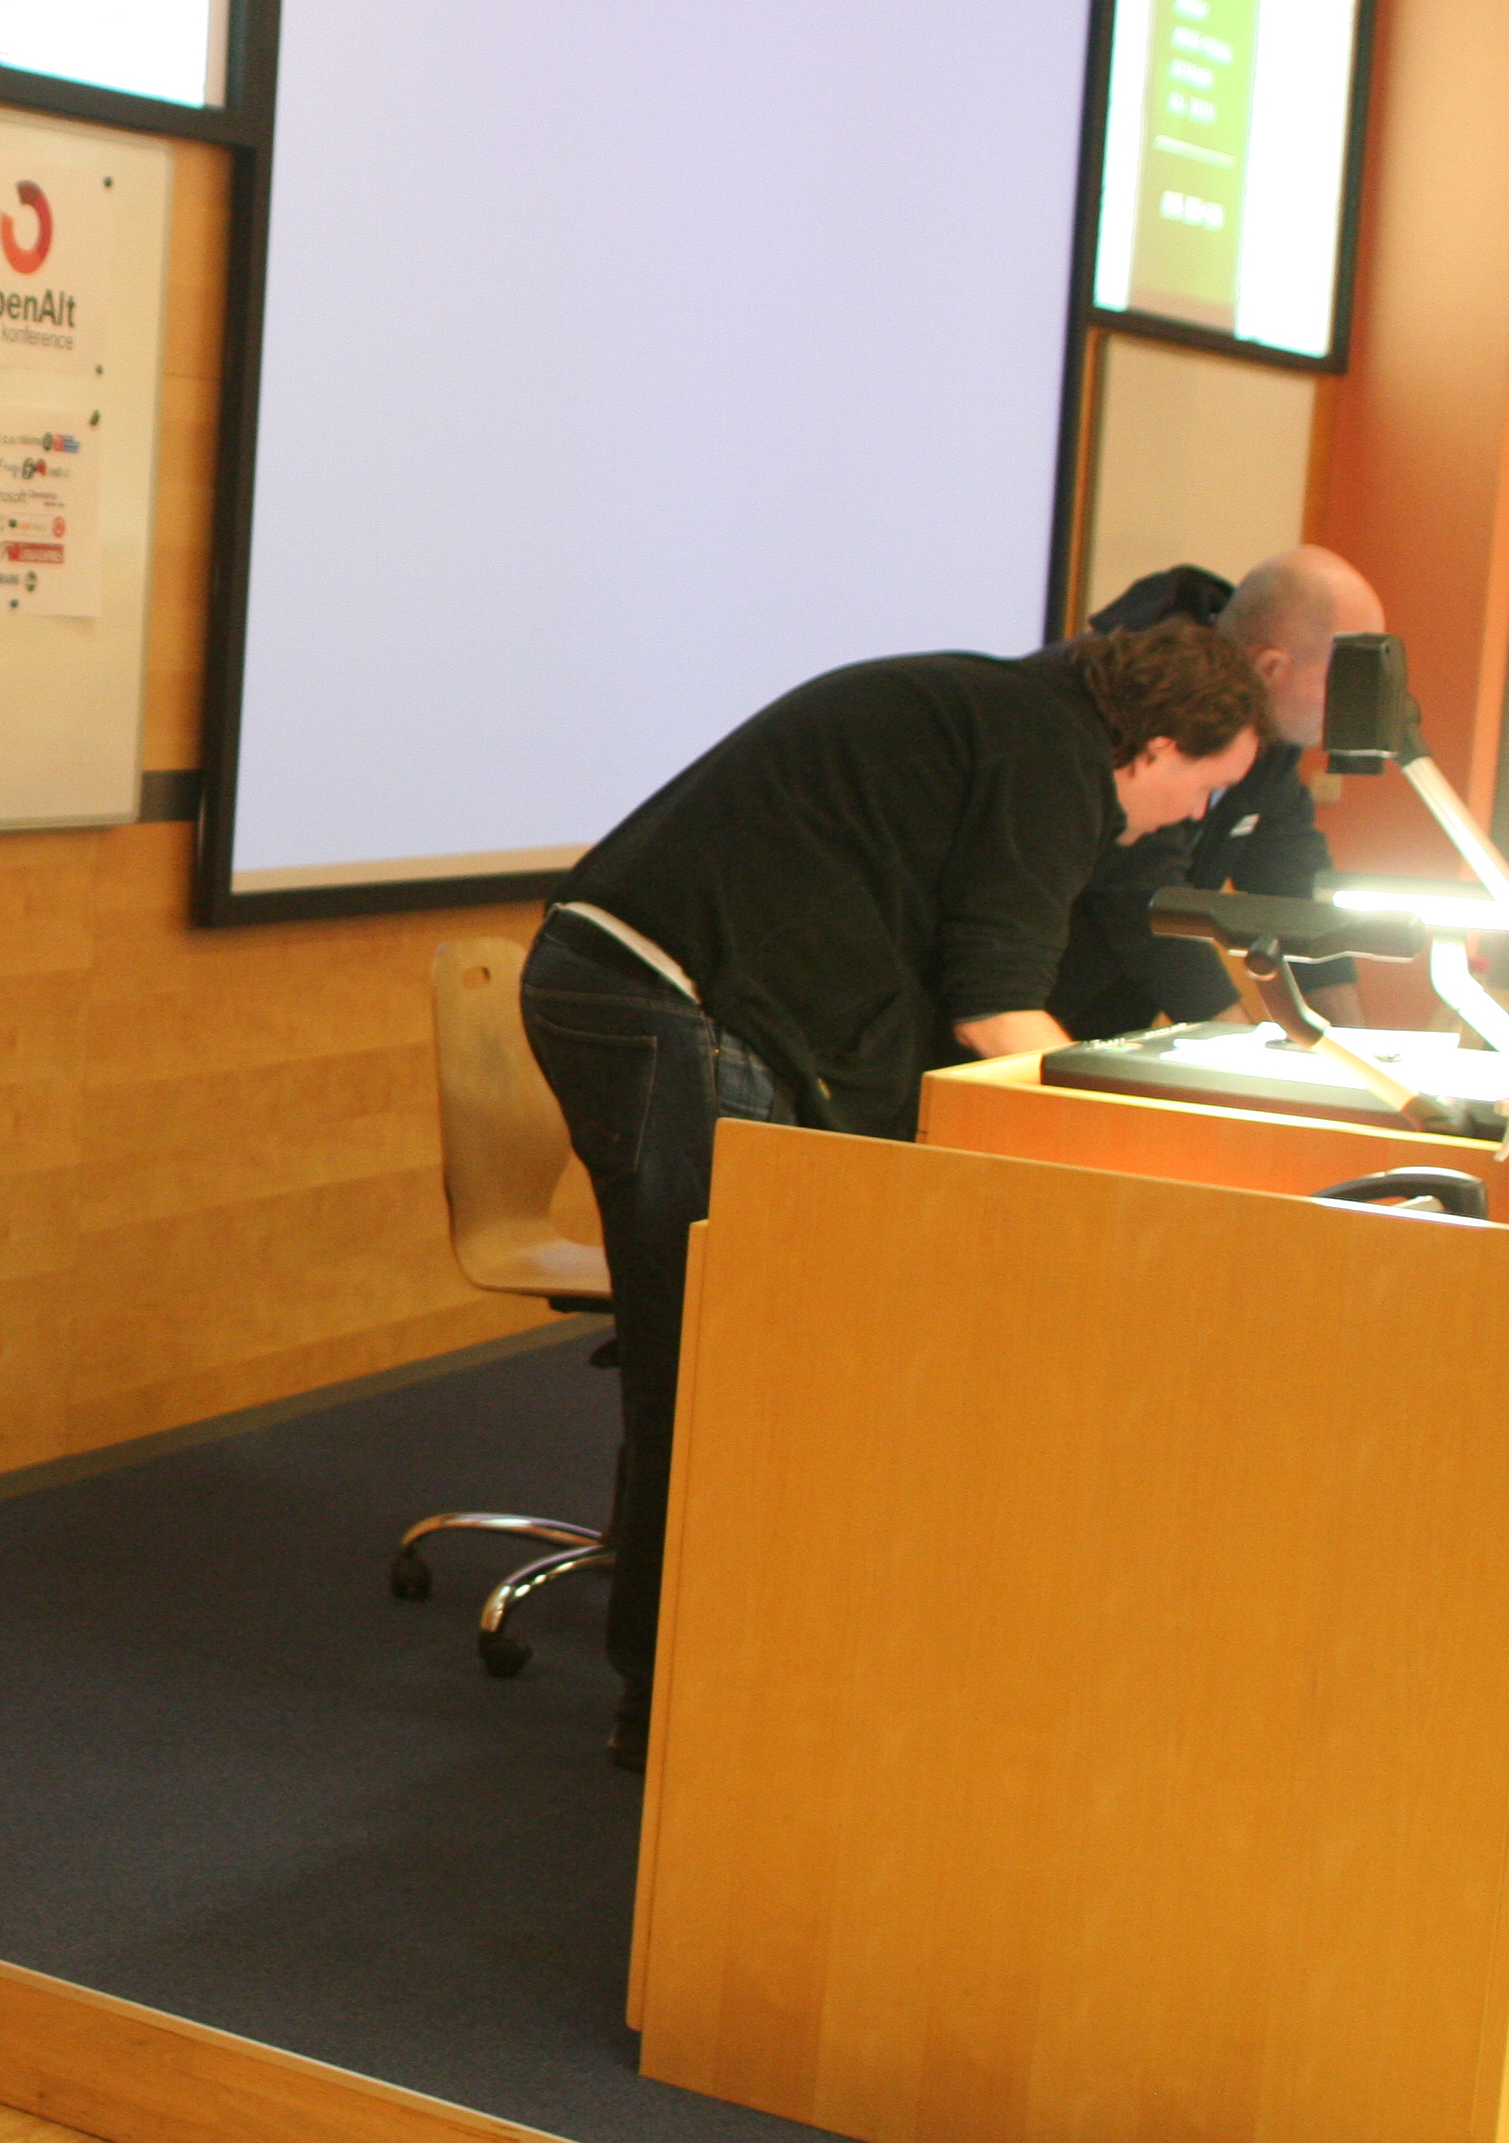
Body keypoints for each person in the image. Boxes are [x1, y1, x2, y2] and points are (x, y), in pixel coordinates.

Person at [522, 622, 1267, 1769]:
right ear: (1158, 747)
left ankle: (699, 1664)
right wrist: (1134, 1148)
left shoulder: (1017, 717)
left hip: (634, 977)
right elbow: (995, 1009)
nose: (1191, 818)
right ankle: (669, 1709)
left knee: (720, 1346)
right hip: (662, 993)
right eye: (1204, 790)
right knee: (724, 1358)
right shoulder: (1049, 760)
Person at [1048, 546, 1388, 1039]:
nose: (1347, 706)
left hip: (1104, 1022)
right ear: (1271, 667)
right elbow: (1141, 892)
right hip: (1010, 1005)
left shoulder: (1272, 743)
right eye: (1342, 680)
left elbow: (1292, 882)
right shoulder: (1137, 700)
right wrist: (1237, 1046)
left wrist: (1358, 1047)